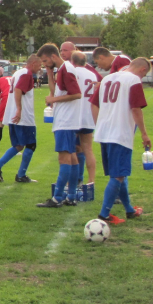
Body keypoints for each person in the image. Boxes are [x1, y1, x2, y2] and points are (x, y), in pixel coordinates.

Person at [90, 58, 150, 224]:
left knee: (119, 173)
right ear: (142, 69)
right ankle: (104, 215)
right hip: (120, 132)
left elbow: (93, 105)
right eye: (145, 74)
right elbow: (136, 108)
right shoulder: (133, 80)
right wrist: (144, 133)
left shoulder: (107, 78)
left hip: (104, 132)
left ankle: (129, 210)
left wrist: (99, 124)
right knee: (118, 175)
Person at [36, 43, 82, 208]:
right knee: (72, 156)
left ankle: (57, 198)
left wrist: (53, 100)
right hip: (66, 120)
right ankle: (71, 195)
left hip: (66, 121)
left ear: (53, 57)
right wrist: (49, 73)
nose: (44, 63)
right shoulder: (62, 70)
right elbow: (56, 91)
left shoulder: (66, 69)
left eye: (45, 60)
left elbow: (76, 94)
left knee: (64, 158)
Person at [0, 55, 42, 183]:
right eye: (39, 65)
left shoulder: (18, 72)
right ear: (33, 63)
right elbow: (19, 89)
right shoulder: (26, 74)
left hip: (11, 115)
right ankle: (21, 175)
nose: (40, 68)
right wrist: (19, 109)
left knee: (19, 145)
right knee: (31, 145)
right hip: (23, 116)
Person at [71, 51, 100, 200]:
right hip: (89, 115)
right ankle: (91, 181)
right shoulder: (92, 75)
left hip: (75, 115)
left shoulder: (73, 72)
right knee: (88, 149)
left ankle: (74, 181)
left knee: (71, 150)